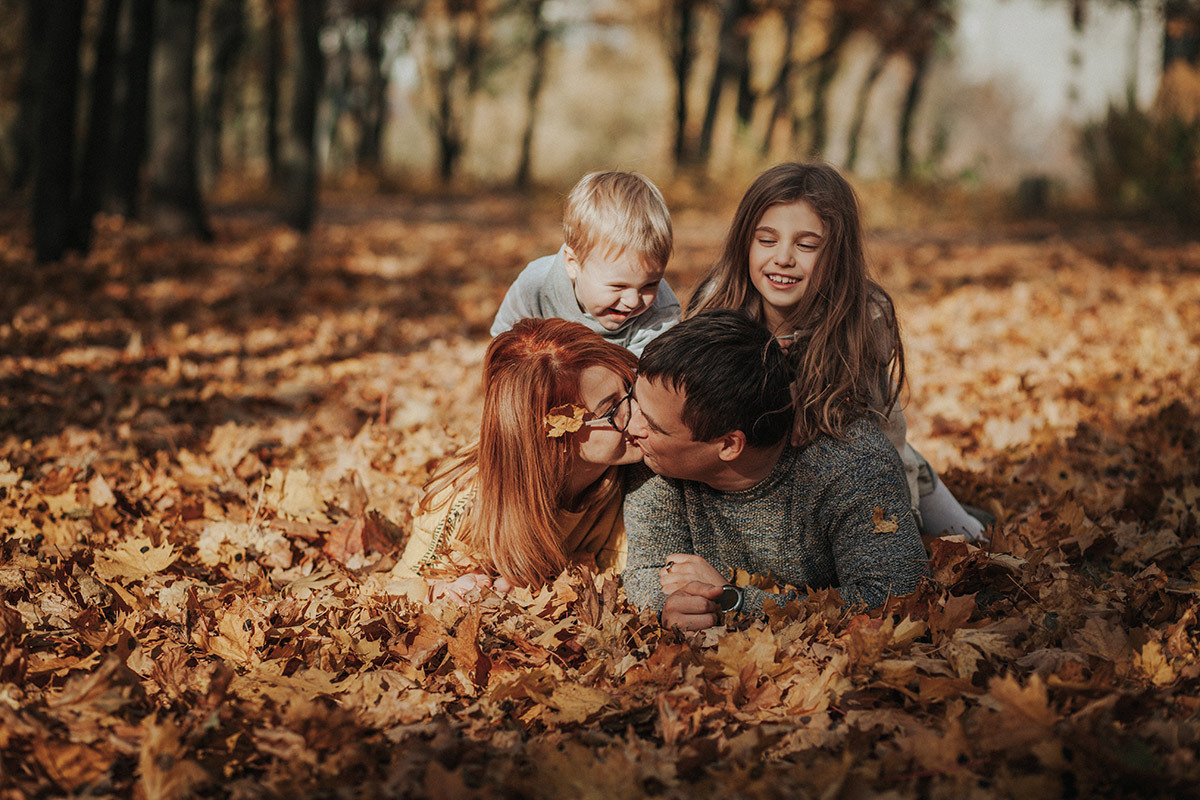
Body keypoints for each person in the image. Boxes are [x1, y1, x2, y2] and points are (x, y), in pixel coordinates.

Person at [687, 162, 986, 541]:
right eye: (766, 241)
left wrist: (901, 515)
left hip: (882, 461)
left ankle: (964, 515)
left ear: (837, 254)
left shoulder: (861, 322)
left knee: (974, 541)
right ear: (744, 242)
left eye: (806, 245)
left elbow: (879, 444)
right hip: (774, 481)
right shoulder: (717, 308)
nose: (783, 257)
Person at [622, 310, 927, 631]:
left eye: (652, 425)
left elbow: (898, 596)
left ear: (728, 445)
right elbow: (646, 569)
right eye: (636, 404)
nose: (631, 427)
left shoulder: (853, 468)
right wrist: (670, 604)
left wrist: (734, 601)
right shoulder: (657, 458)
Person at [396, 318, 642, 599]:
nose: (638, 412)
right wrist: (440, 592)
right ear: (554, 434)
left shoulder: (639, 463)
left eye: (631, 388)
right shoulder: (463, 501)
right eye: (612, 410)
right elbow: (396, 589)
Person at [490, 171, 681, 356]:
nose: (633, 301)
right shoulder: (535, 288)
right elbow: (503, 349)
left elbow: (646, 376)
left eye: (650, 285)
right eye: (618, 286)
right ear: (573, 263)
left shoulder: (660, 315)